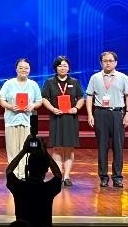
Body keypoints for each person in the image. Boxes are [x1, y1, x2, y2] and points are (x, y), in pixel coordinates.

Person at [85, 51, 128, 188]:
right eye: (105, 61)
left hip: (117, 113)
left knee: (118, 146)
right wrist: (90, 114)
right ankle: (103, 177)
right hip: (100, 113)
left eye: (111, 61)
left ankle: (117, 177)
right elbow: (89, 96)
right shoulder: (95, 78)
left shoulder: (123, 77)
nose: (108, 63)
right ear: (101, 63)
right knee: (102, 146)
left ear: (116, 63)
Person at [41, 55, 85, 187]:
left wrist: (76, 108)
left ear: (69, 67)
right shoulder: (50, 82)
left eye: (65, 65)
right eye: (60, 65)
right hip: (56, 117)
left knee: (69, 148)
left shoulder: (74, 82)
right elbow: (44, 98)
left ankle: (67, 176)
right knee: (57, 148)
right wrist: (53, 109)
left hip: (70, 118)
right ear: (55, 68)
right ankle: (58, 175)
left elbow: (81, 98)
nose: (62, 68)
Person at [0, 58, 42, 179]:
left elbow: (39, 101)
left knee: (25, 149)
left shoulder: (33, 85)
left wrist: (32, 106)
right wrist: (10, 106)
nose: (23, 70)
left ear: (29, 70)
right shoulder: (8, 83)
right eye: (21, 68)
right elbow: (1, 100)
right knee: (12, 149)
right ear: (16, 69)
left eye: (26, 68)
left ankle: (23, 173)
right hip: (11, 120)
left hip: (27, 120)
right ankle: (13, 174)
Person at [6, 135, 62, 227]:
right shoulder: (47, 189)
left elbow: (9, 170)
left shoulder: (19, 187)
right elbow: (58, 175)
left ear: (28, 168)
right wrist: (45, 152)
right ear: (46, 170)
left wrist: (23, 151)